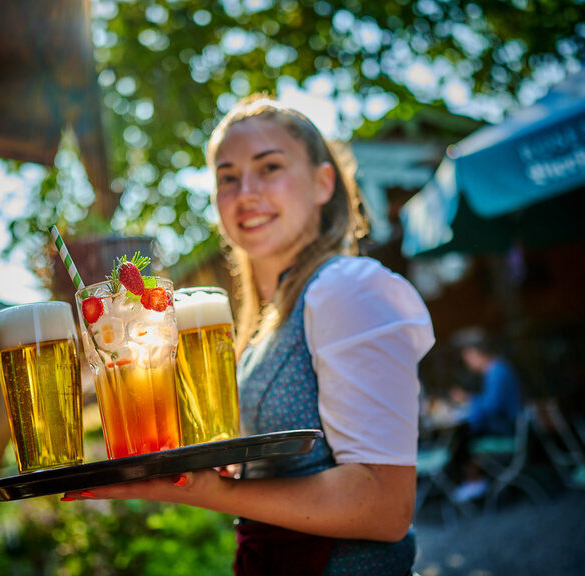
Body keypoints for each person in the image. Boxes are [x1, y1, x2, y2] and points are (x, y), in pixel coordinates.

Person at [63, 95, 435, 576]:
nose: (245, 192)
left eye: (269, 167)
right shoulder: (267, 320)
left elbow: (385, 506)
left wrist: (217, 493)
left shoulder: (347, 288)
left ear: (324, 182)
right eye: (227, 177)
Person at [447, 328, 522, 502]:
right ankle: (475, 481)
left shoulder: (497, 371)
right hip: (508, 425)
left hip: (505, 430)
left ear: (475, 353)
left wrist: (467, 400)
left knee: (462, 437)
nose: (467, 362)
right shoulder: (498, 369)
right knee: (464, 434)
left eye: (467, 357)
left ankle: (475, 481)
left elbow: (491, 407)